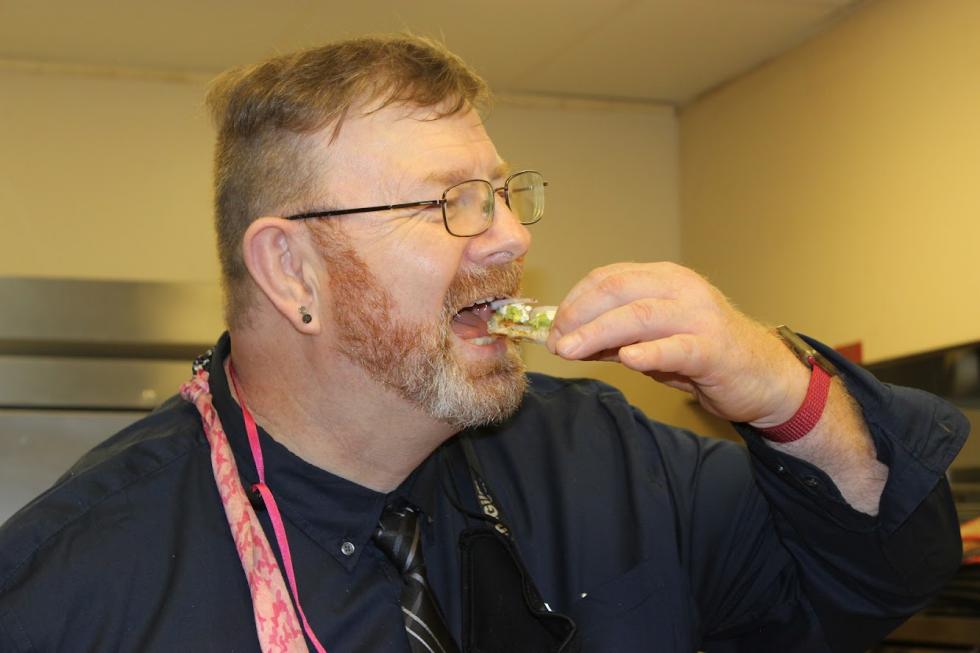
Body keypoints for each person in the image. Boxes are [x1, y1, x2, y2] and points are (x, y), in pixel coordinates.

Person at [0, 35, 968, 653]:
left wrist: (778, 392)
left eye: (505, 192)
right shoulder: (73, 585)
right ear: (291, 270)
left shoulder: (607, 458)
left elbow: (885, 570)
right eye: (448, 204)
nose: (510, 236)